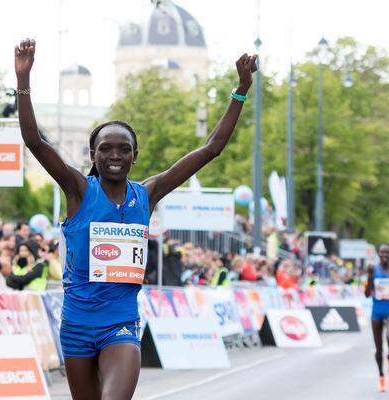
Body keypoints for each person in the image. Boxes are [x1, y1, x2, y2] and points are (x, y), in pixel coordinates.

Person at [15, 38, 256, 399]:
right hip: (77, 325)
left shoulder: (148, 194)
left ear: (134, 155)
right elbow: (35, 141)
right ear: (93, 155)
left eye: (124, 149)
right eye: (106, 149)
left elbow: (211, 148)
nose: (115, 155)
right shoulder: (78, 190)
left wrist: (240, 91)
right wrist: (23, 79)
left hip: (121, 325)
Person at [365, 244, 389, 392]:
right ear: (378, 254)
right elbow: (367, 294)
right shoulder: (373, 270)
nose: (385, 255)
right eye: (382, 252)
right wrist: (368, 277)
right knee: (378, 348)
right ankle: (381, 376)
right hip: (377, 311)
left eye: (387, 253)